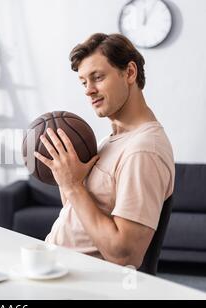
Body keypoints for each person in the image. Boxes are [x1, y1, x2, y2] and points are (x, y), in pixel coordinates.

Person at [34, 33, 175, 268]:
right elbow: (77, 214)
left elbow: (125, 256)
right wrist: (66, 177)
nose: (88, 90)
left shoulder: (143, 150)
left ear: (130, 73)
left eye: (97, 77)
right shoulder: (109, 141)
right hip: (55, 269)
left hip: (86, 284)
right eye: (83, 82)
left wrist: (73, 185)